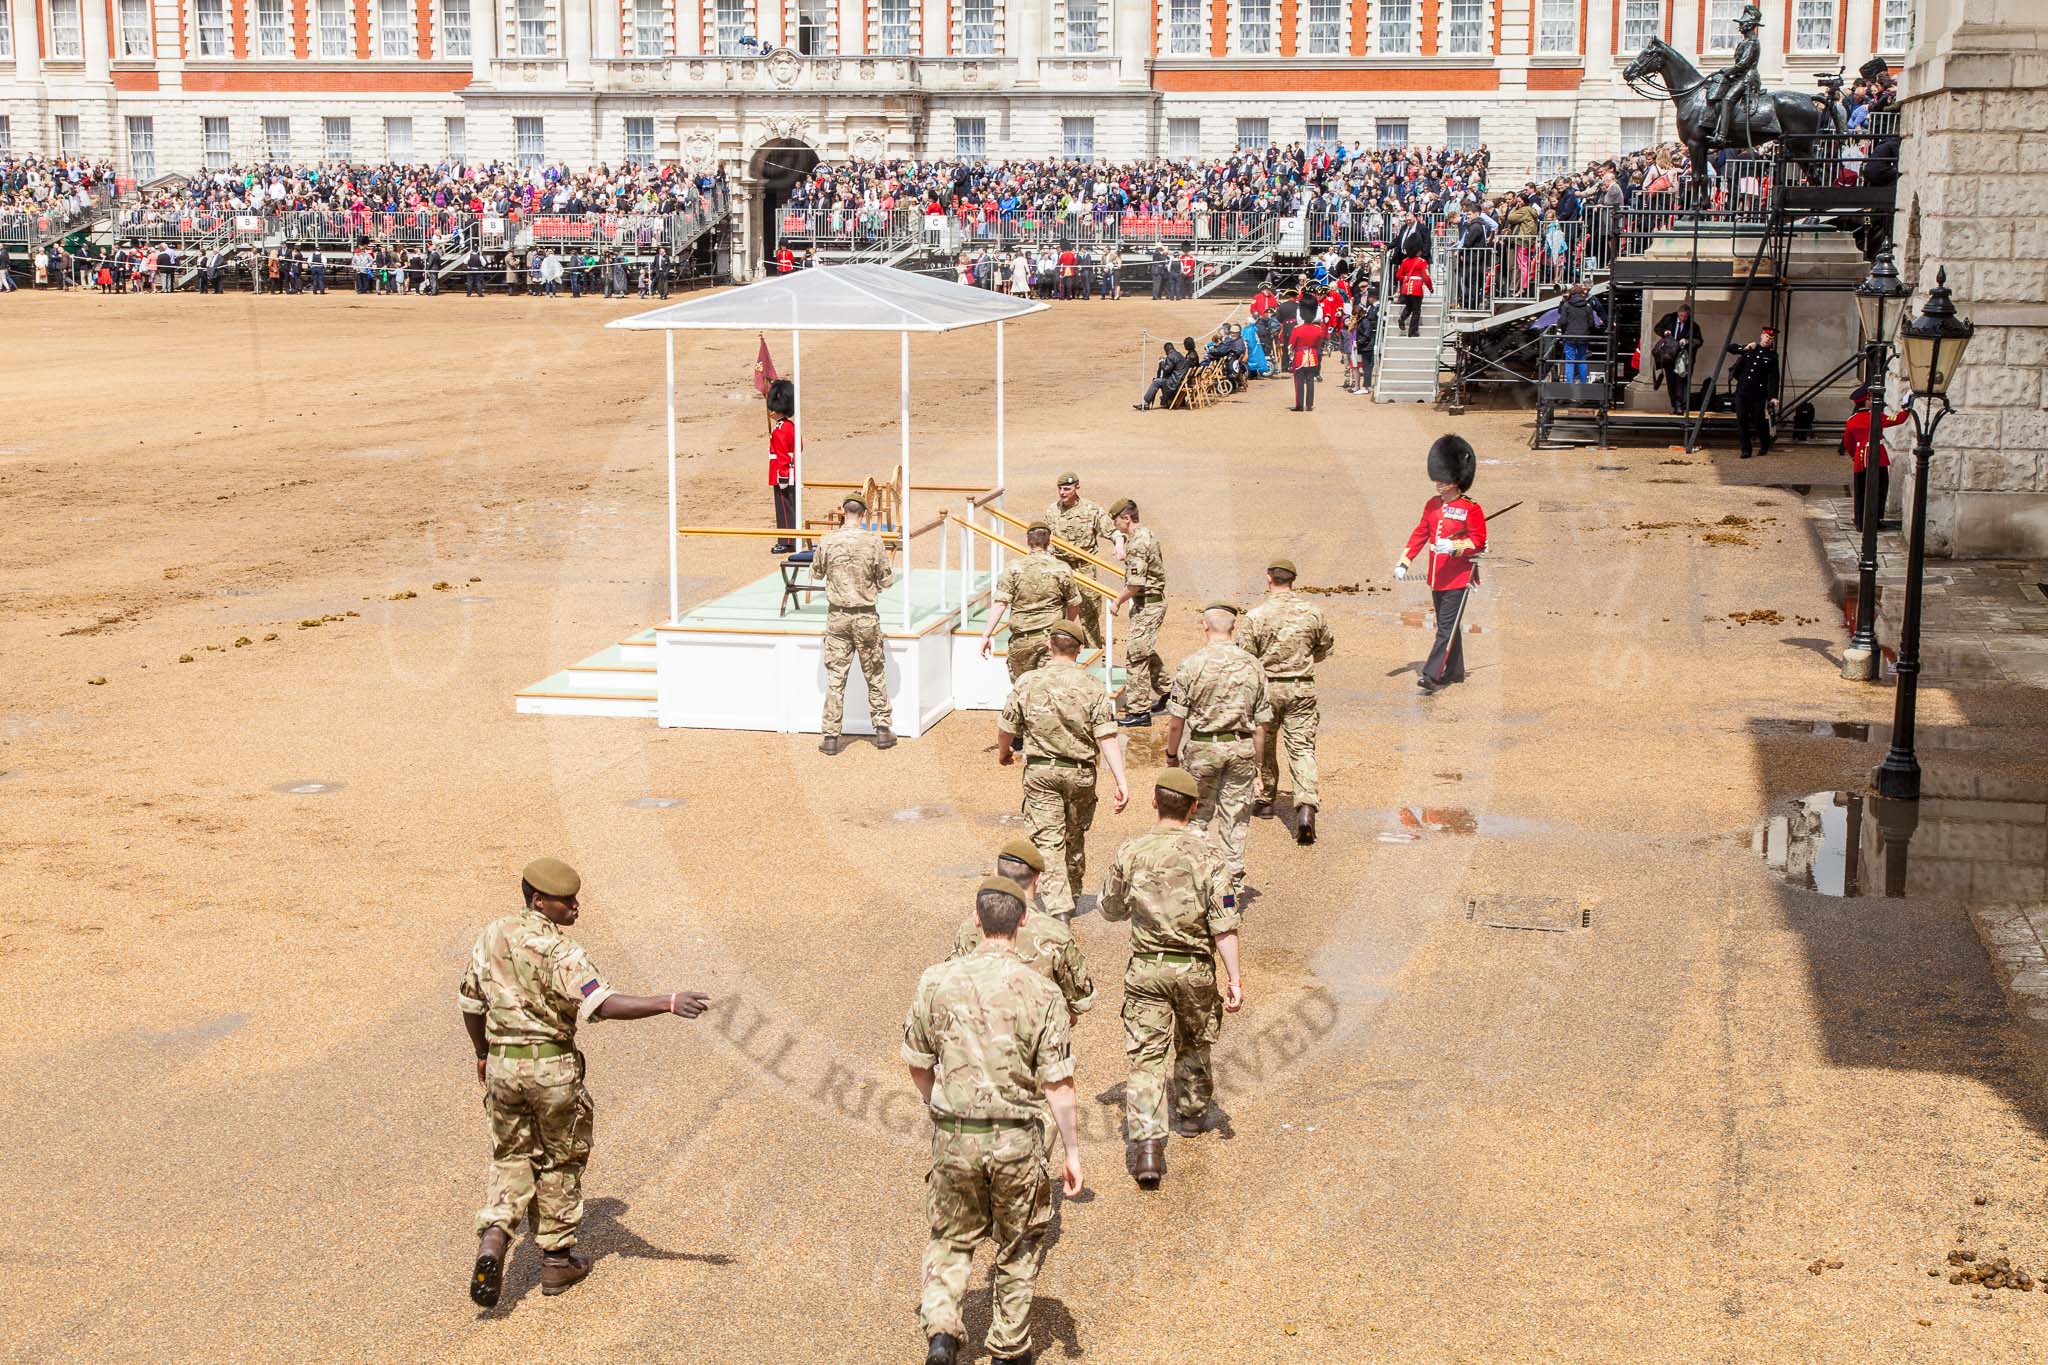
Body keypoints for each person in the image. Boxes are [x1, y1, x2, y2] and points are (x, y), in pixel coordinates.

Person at [460, 857, 710, 1309]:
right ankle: (557, 1261)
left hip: (502, 1066)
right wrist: (667, 1002)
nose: (575, 907)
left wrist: (482, 1053)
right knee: (561, 1157)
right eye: (566, 900)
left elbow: (470, 1004)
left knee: (512, 1154)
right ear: (540, 900)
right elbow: (604, 1003)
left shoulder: (491, 935)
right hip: (551, 1069)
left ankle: (496, 1236)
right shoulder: (563, 953)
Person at [904, 876, 1083, 1365]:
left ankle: (942, 1331)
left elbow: (918, 1063)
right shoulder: (1043, 992)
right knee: (1018, 1244)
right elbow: (1058, 1083)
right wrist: (1070, 1150)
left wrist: (938, 1106)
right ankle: (1007, 1346)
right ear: (1023, 921)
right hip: (1016, 1140)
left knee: (950, 1239)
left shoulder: (935, 981)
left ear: (976, 920)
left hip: (955, 1134)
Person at [1100, 767, 1244, 1189]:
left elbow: (1110, 909)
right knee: (1195, 1041)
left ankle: (1147, 1148)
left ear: (1154, 803)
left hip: (1146, 966)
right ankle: (1193, 1113)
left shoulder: (1131, 851)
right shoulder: (1211, 858)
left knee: (1146, 1059)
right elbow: (1224, 925)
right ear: (1195, 808)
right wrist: (1234, 978)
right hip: (1195, 967)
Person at [997, 621, 1130, 919]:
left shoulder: (1028, 682)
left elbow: (1006, 727)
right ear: (1080, 650)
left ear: (1049, 646)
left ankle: (1059, 907)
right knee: (1074, 836)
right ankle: (1072, 892)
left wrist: (1004, 753)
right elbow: (1106, 736)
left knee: (1049, 840)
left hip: (1042, 773)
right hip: (1081, 774)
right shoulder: (1093, 687)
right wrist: (1122, 781)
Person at [1164, 602, 1273, 895]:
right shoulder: (1253, 665)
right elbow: (1262, 726)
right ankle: (1229, 890)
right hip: (1241, 748)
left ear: (1205, 625)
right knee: (1235, 819)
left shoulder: (1191, 664)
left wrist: (1171, 756)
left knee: (1196, 818)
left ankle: (1198, 883)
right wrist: (1258, 768)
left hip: (1202, 748)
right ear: (1233, 627)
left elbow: (1176, 722)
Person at [1243, 557, 1336, 845]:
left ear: (1269, 579)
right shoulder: (1312, 612)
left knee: (1265, 744)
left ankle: (1267, 799)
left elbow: (1245, 656)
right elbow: (1325, 646)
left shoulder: (1256, 616)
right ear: (1293, 581)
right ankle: (1306, 806)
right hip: (1301, 687)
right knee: (1302, 748)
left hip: (1268, 688)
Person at [950, 838, 1096, 1018]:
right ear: (1038, 879)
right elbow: (1081, 999)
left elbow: (952, 981)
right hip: (1039, 1032)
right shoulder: (1056, 932)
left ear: (996, 873)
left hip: (980, 1028)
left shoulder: (971, 925)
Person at [1394, 435, 1487, 694]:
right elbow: (1421, 533)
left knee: (1445, 627)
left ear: (1457, 480)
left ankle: (1431, 674)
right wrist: (1405, 561)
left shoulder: (1472, 509)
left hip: (1459, 577)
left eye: (1443, 479)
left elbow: (1479, 542)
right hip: (1437, 577)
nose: (1438, 483)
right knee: (1450, 625)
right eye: (1437, 477)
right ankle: (1455, 671)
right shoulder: (1432, 505)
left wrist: (1456, 547)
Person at [814, 493, 896, 754]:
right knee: (875, 673)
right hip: (865, 615)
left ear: (843, 511)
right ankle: (882, 730)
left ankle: (830, 736)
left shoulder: (827, 539)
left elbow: (816, 572)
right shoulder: (873, 541)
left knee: (836, 677)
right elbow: (886, 579)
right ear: (864, 514)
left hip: (837, 616)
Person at [982, 521, 1082, 680]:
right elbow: (1074, 604)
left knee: (1023, 692)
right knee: (1048, 690)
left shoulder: (1013, 568)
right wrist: (1065, 625)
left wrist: (987, 634)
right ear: (1049, 541)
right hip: (1050, 642)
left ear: (1028, 541)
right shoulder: (1061, 568)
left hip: (1021, 641)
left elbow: (1000, 603)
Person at [1109, 497, 1167, 726]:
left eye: (1116, 521)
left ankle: (1139, 712)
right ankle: (1168, 690)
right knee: (1144, 650)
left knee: (1135, 657)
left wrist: (1117, 602)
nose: (1115, 526)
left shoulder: (1139, 543)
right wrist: (1121, 545)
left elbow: (1135, 585)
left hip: (1148, 603)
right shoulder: (1141, 535)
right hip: (1148, 602)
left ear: (1126, 518)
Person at [1044, 473, 1117, 648]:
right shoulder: (1052, 511)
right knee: (1056, 611)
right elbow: (1044, 538)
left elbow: (1111, 531)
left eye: (1067, 489)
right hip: (1061, 567)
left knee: (1089, 613)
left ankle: (1094, 653)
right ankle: (1056, 650)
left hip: (1084, 568)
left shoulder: (1091, 510)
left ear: (1077, 488)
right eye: (1060, 489)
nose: (1062, 492)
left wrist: (1119, 544)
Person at [1842, 384, 1909, 531]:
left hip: (1860, 459)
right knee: (1880, 488)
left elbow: (1848, 443)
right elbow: (1897, 419)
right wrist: (1906, 408)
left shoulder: (1851, 420)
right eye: (1871, 399)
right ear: (1866, 401)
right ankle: (1876, 521)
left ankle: (1860, 522)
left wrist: (1855, 456)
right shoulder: (1876, 417)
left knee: (1861, 491)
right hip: (1877, 457)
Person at [1710, 5, 1767, 146]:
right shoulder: (1745, 41)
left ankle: (1722, 136)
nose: (1740, 25)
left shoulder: (1752, 42)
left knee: (1728, 99)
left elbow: (1743, 64)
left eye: (1742, 23)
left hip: (1747, 77)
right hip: (1741, 75)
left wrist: (1727, 72)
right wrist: (1724, 71)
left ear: (1749, 25)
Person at [1727, 325, 1781, 458]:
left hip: (1758, 393)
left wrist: (1773, 396)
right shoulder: (1751, 348)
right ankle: (1746, 449)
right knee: (1742, 420)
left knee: (1758, 419)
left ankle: (1764, 443)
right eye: (1767, 336)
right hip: (1742, 391)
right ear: (1761, 336)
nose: (1768, 340)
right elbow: (1730, 348)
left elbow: (1774, 378)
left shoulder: (1772, 356)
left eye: (1771, 338)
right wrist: (1744, 348)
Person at [765, 379, 799, 554]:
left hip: (782, 473)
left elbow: (782, 456)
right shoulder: (791, 427)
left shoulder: (779, 430)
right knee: (790, 506)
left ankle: (786, 541)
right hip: (791, 470)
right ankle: (791, 537)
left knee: (784, 508)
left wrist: (783, 476)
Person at [1651, 303, 1703, 415]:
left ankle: (1680, 406)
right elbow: (1657, 328)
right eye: (1681, 316)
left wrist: (1688, 342)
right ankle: (1675, 405)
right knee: (1671, 382)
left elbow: (1699, 341)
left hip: (1684, 358)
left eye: (1685, 317)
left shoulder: (1693, 326)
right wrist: (1664, 332)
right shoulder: (1669, 319)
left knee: (1682, 382)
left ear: (1688, 315)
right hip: (1669, 357)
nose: (1683, 319)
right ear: (1678, 314)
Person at [1557, 282, 1602, 385]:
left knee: (1569, 361)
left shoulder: (1567, 305)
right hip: (1583, 336)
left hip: (1570, 336)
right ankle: (1583, 383)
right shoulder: (1588, 306)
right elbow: (1591, 323)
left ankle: (1569, 384)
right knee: (1582, 359)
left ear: (1571, 294)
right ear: (1582, 294)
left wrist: (1561, 326)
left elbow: (1563, 321)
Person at [1289, 309, 1326, 412]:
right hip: (1312, 356)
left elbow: (1292, 344)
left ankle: (1300, 405)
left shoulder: (1297, 328)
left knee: (1299, 381)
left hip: (1300, 357)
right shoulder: (1318, 329)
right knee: (1310, 381)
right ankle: (1309, 405)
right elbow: (1318, 343)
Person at [1135, 341, 1188, 410]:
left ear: (1166, 350)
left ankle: (1146, 403)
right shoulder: (1179, 354)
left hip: (1174, 383)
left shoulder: (1170, 356)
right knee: (1160, 380)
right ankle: (1166, 400)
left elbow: (1166, 369)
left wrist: (1161, 362)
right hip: (1180, 381)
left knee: (1156, 381)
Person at [1396, 252, 1432, 338]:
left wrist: (1405, 278)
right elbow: (1426, 277)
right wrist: (1430, 288)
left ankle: (1402, 318)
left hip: (1406, 288)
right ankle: (1412, 331)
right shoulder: (1422, 261)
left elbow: (1398, 275)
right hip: (1416, 288)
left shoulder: (1405, 261)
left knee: (1409, 306)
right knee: (1416, 310)